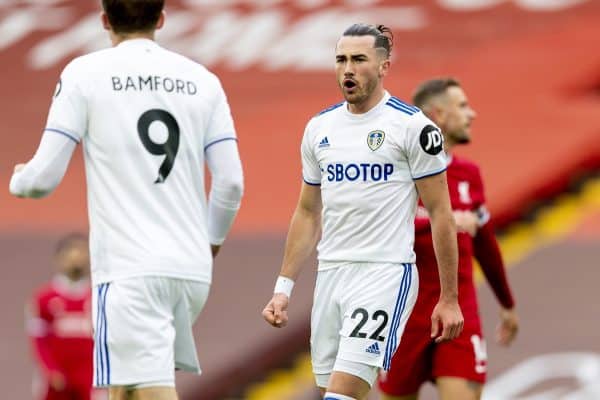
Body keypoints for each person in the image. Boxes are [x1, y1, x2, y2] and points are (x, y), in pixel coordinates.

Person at [10, 1, 244, 399]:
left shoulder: (85, 74)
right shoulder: (203, 81)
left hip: (131, 270)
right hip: (190, 269)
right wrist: (210, 243)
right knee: (125, 389)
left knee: (151, 389)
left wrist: (19, 179)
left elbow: (42, 179)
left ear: (104, 20)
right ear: (162, 18)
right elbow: (231, 183)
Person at [261, 24, 464, 400]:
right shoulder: (319, 128)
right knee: (333, 393)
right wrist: (283, 289)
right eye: (341, 60)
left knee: (341, 396)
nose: (348, 69)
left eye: (359, 59)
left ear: (384, 65)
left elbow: (441, 213)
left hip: (383, 274)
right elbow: (308, 212)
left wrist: (448, 298)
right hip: (332, 274)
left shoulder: (412, 127)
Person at [377, 78, 519, 400]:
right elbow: (380, 225)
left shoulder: (469, 174)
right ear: (438, 114)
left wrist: (506, 303)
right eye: (463, 106)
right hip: (404, 315)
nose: (473, 114)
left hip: (459, 314)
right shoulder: (398, 171)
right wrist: (448, 220)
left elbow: (485, 243)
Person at [27, 233, 106, 400]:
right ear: (59, 258)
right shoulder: (44, 299)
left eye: (81, 253)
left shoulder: (99, 298)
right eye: (71, 254)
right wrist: (50, 370)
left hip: (90, 379)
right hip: (57, 380)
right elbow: (38, 339)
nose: (76, 259)